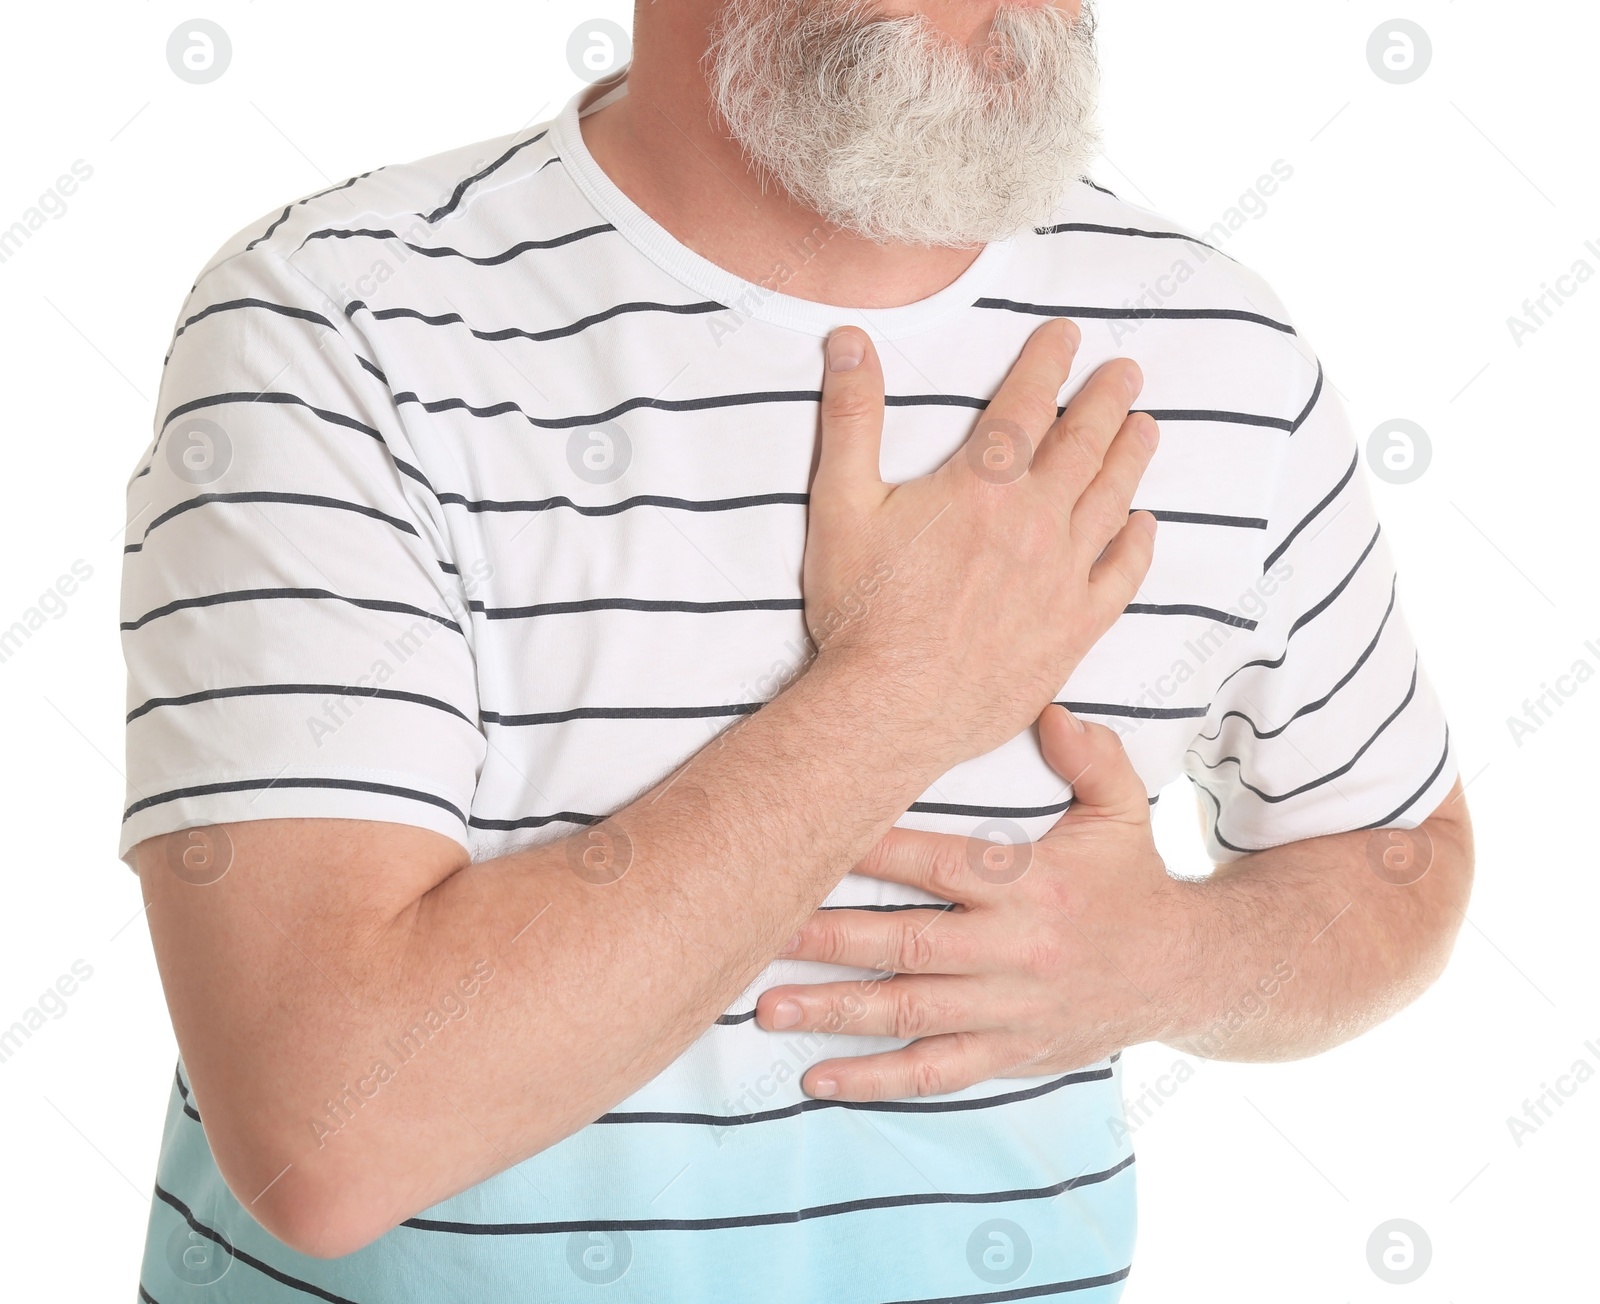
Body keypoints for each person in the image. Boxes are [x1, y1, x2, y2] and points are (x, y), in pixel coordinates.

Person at [122, 1, 1472, 1299]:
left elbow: (1396, 858)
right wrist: (899, 694)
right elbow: (329, 1137)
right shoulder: (336, 324)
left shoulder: (1218, 344)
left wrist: (1172, 962)